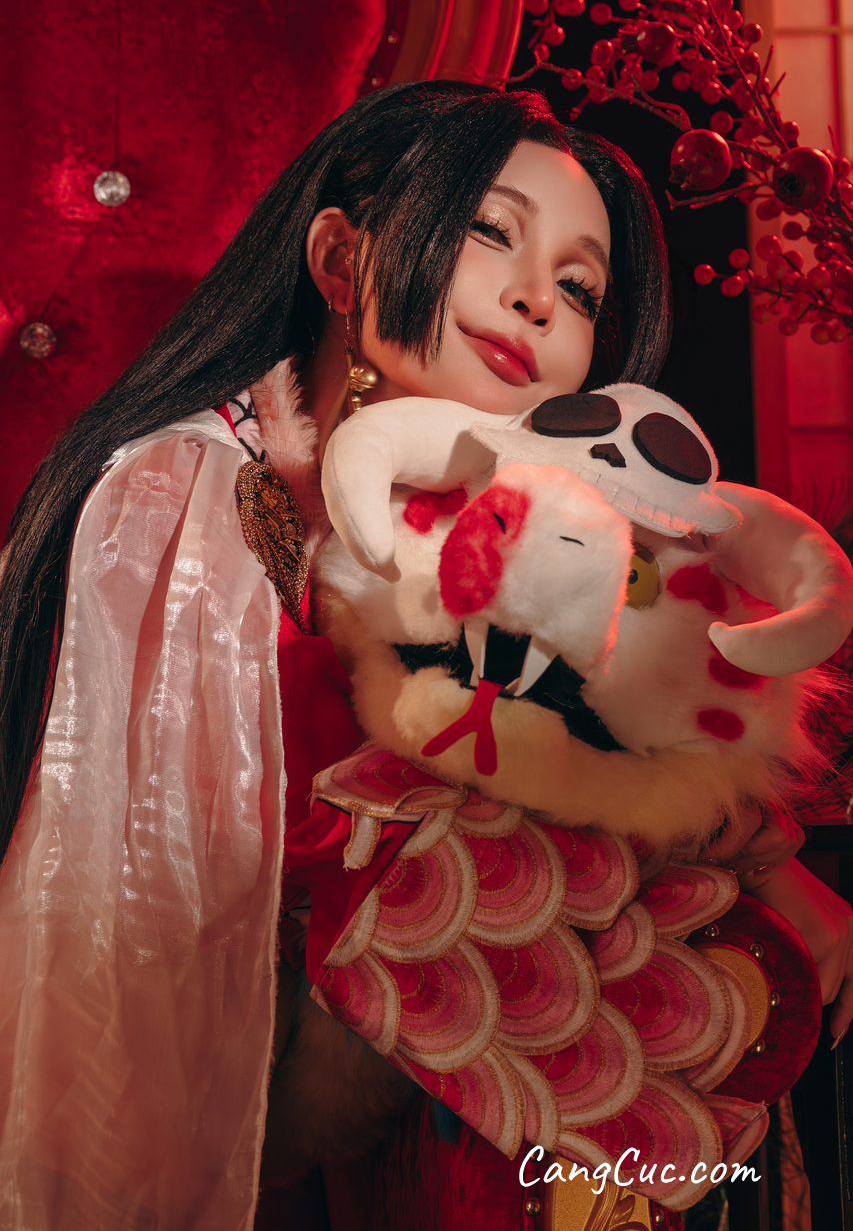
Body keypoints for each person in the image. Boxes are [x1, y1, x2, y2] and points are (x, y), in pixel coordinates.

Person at [0, 80, 848, 1230]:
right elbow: (137, 932)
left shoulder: (532, 523)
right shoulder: (187, 495)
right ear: (340, 259)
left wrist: (756, 863)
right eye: (491, 231)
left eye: (579, 287)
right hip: (251, 1111)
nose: (535, 299)